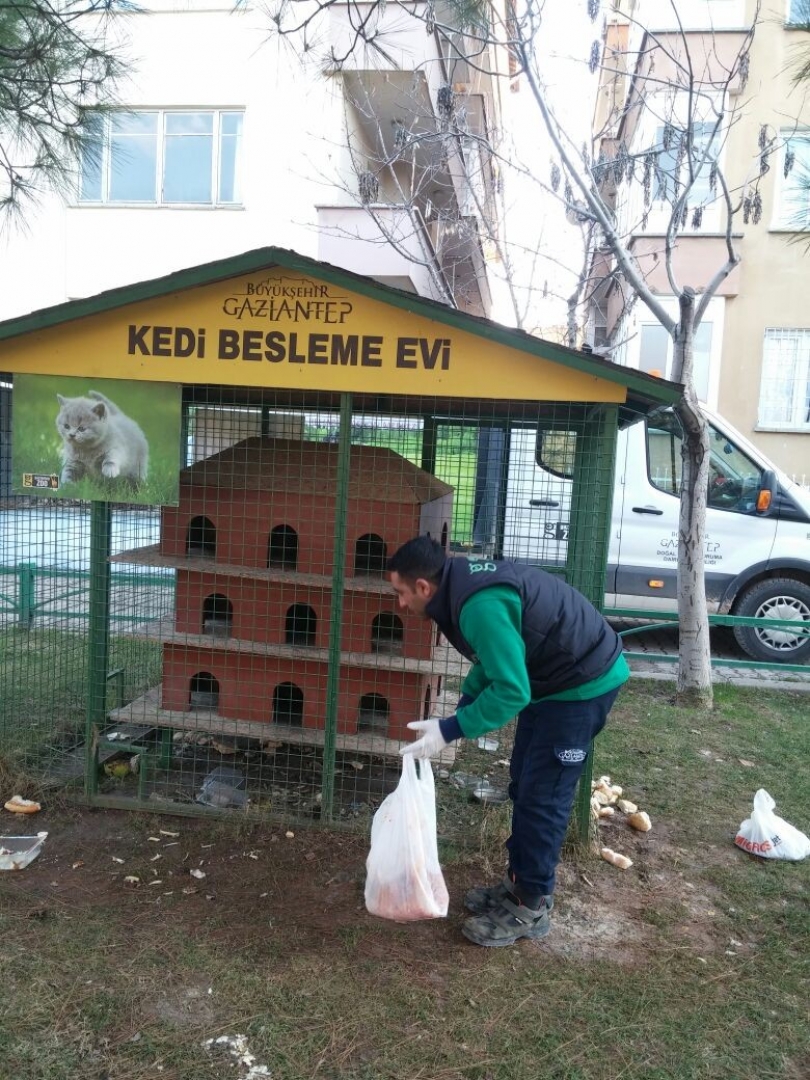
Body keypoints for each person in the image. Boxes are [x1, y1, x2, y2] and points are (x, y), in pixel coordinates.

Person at [388, 536, 630, 948]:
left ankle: (530, 906)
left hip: (582, 684)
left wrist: (451, 730)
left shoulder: (477, 606)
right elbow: (492, 660)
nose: (400, 604)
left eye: (401, 592)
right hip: (549, 681)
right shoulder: (459, 589)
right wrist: (459, 711)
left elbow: (511, 691)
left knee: (543, 797)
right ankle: (519, 884)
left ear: (424, 588)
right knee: (524, 781)